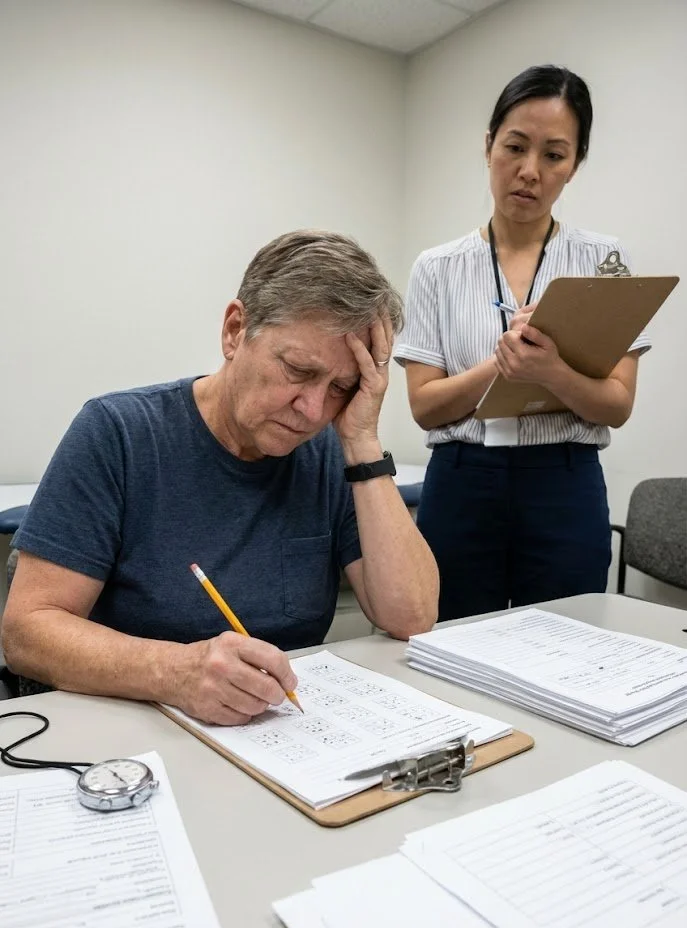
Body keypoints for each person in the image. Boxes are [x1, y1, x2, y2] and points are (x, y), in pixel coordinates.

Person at [2, 230, 439, 722]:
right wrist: (176, 672)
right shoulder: (119, 433)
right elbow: (27, 631)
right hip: (133, 729)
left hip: (282, 735)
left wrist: (362, 442)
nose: (313, 408)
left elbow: (411, 617)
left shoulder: (331, 452)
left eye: (341, 386)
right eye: (298, 370)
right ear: (235, 331)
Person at [394, 65, 649, 622]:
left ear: (575, 165)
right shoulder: (437, 267)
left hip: (564, 481)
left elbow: (618, 405)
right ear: (489, 147)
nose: (529, 171)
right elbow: (424, 407)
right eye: (515, 146)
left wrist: (552, 370)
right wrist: (501, 365)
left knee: (568, 647)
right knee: (452, 642)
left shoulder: (604, 264)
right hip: (463, 482)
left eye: (554, 155)